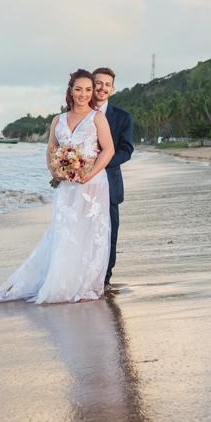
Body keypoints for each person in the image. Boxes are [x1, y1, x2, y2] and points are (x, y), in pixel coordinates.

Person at [0, 69, 115, 306]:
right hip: (65, 185)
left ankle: (85, 284)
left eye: (88, 89)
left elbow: (109, 150)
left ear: (93, 92)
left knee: (88, 233)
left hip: (91, 184)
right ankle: (60, 281)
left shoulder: (97, 118)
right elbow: (52, 149)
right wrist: (55, 170)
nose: (83, 94)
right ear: (70, 91)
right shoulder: (58, 120)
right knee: (65, 231)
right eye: (78, 89)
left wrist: (88, 175)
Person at [92, 67, 134, 289]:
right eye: (98, 83)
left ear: (113, 89)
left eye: (107, 85)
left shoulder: (123, 117)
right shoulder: (80, 112)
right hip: (83, 184)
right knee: (84, 230)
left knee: (109, 233)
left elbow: (126, 150)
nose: (102, 88)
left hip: (110, 182)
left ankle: (105, 278)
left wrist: (102, 160)